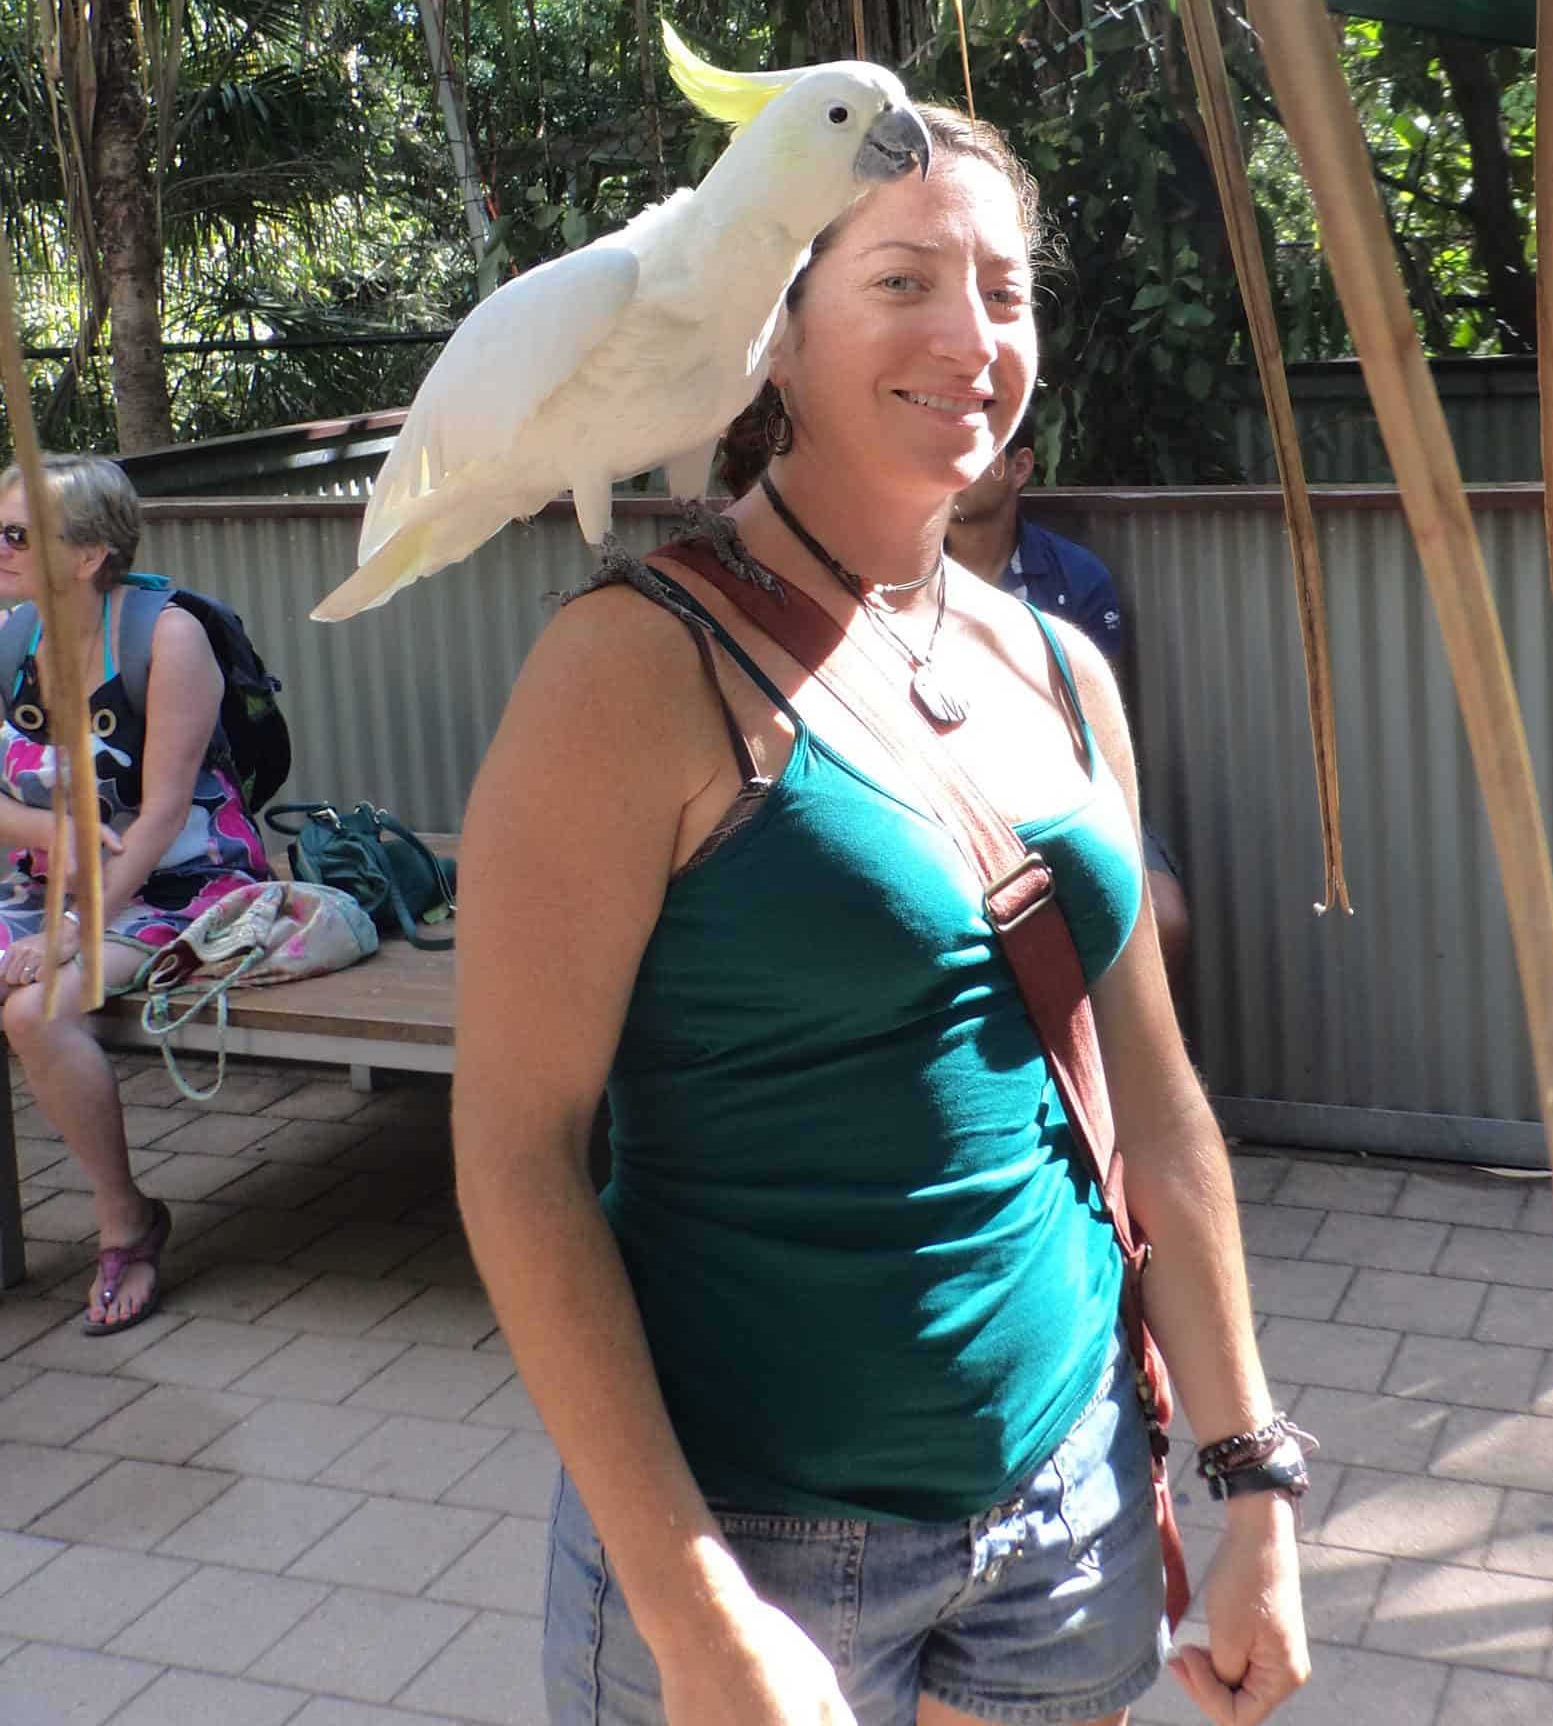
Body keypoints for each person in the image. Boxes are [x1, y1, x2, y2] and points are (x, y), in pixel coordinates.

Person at [454, 106, 1310, 1726]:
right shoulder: (632, 674)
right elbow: (513, 1157)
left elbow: (1160, 1112)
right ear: (776, 334)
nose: (969, 337)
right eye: (905, 279)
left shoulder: (1058, 671)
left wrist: (1252, 1477)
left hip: (1068, 1513)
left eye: (1004, 290)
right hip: (752, 1541)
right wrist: (691, 1603)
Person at [0, 454, 269, 1331]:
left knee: (35, 1012)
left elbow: (157, 819)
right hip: (46, 881)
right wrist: (48, 836)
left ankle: (128, 1224)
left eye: (15, 536)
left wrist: (77, 926)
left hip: (179, 881)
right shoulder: (11, 638)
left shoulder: (165, 640)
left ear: (85, 558)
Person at [948, 424, 1193, 1011]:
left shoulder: (1075, 578)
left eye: (978, 447)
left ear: (1021, 466)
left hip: (1070, 791)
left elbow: (1096, 734)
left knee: (1166, 920)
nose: (956, 465)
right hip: (943, 802)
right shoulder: (900, 575)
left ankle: (1126, 1086)